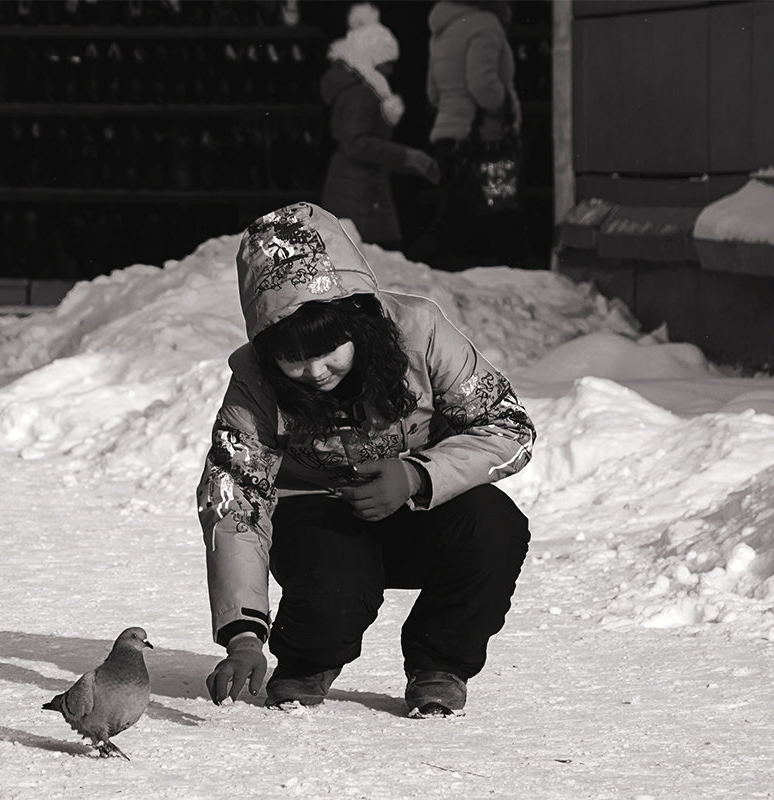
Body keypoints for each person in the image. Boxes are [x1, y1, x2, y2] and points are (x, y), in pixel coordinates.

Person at [199, 201, 534, 718]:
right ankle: (306, 662)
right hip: (314, 517)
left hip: (419, 501)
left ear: (356, 319)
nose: (314, 371)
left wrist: (418, 476)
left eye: (329, 348)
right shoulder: (255, 382)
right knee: (338, 581)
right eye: (293, 359)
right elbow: (233, 497)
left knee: (495, 527)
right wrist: (244, 632)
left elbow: (508, 425)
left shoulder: (419, 333)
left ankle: (439, 664)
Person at [406, 0, 528, 270]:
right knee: (501, 224)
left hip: (448, 139)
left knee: (458, 222)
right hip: (483, 139)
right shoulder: (485, 25)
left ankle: (419, 273)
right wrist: (507, 105)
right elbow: (482, 85)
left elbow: (433, 93)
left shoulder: (442, 28)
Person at [319, 3, 440, 250]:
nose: (391, 70)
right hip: (360, 194)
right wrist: (408, 156)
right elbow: (356, 142)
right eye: (387, 63)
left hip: (358, 190)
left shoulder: (355, 89)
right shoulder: (362, 94)